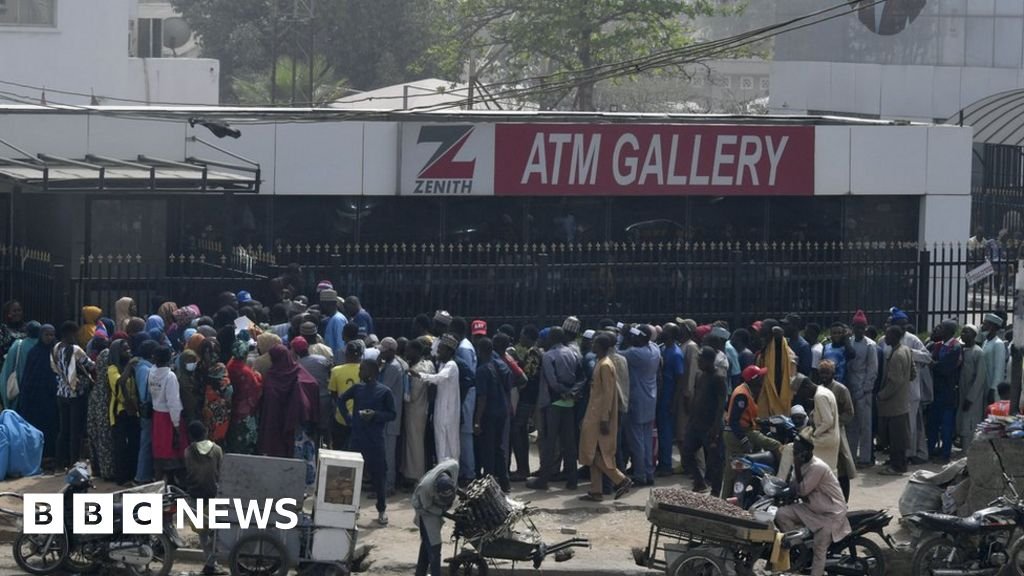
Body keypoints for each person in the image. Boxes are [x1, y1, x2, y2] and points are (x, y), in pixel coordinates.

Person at [774, 434, 851, 576]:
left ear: (808, 452)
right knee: (781, 514)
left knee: (819, 549)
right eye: (795, 452)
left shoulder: (818, 467)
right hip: (812, 508)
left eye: (799, 452)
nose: (796, 455)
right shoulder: (802, 464)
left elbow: (802, 490)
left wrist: (796, 467)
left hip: (830, 514)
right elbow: (793, 485)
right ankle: (799, 547)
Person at [339, 358, 396, 526]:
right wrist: (349, 419)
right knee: (352, 476)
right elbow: (341, 400)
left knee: (379, 476)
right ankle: (352, 510)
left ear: (371, 372)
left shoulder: (384, 392)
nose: (359, 373)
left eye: (362, 370)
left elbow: (392, 414)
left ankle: (381, 510)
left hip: (375, 441)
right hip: (357, 439)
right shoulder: (357, 389)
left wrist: (375, 415)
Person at [577, 333, 632, 502]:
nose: (592, 346)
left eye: (595, 344)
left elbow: (608, 394)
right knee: (592, 452)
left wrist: (605, 418)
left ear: (601, 346)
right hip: (593, 413)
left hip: (599, 415)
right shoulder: (601, 363)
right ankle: (596, 490)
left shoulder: (606, 365)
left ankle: (620, 479)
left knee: (595, 453)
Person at [528, 326, 583, 491]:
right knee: (569, 443)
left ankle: (543, 480)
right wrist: (571, 392)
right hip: (569, 403)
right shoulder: (574, 353)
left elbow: (552, 382)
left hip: (553, 403)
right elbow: (582, 378)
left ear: (552, 339)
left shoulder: (549, 356)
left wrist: (562, 392)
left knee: (548, 442)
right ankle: (572, 480)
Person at [721, 365, 783, 499]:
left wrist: (763, 422)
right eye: (760, 377)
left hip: (740, 431)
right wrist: (744, 441)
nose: (762, 380)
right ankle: (781, 478)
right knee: (775, 445)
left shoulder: (745, 391)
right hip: (738, 434)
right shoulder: (742, 395)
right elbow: (733, 420)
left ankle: (728, 498)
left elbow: (744, 416)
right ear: (753, 380)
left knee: (733, 470)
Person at [183, 420, 227, 576]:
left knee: (202, 532)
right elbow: (221, 472)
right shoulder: (217, 450)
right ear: (206, 431)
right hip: (213, 495)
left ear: (191, 436)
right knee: (215, 530)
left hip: (195, 495)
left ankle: (210, 563)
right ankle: (211, 563)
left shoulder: (188, 452)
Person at [619, 325, 660, 487]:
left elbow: (614, 353)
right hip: (650, 398)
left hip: (636, 400)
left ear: (641, 338)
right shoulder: (654, 349)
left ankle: (640, 475)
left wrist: (622, 337)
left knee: (637, 441)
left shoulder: (635, 353)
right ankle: (649, 472)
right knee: (646, 439)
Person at [683, 347, 727, 495]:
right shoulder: (700, 375)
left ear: (709, 360)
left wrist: (716, 427)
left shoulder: (718, 377)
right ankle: (699, 482)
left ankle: (715, 490)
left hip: (710, 425)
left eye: (700, 359)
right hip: (696, 423)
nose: (698, 361)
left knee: (715, 460)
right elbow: (697, 398)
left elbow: (721, 405)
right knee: (687, 452)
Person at [52, 321, 95, 470]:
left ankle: (58, 463)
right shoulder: (76, 349)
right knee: (75, 431)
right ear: (70, 334)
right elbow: (90, 365)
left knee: (63, 430)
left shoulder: (56, 348)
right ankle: (73, 463)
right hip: (76, 394)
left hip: (61, 393)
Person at [259, 345, 315, 458]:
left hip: (276, 421)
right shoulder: (298, 371)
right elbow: (313, 384)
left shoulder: (272, 375)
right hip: (294, 422)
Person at [472, 337, 511, 492]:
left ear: (480, 351)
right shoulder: (502, 365)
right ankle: (505, 481)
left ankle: (489, 485)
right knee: (498, 447)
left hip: (488, 414)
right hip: (502, 411)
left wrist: (477, 421)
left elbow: (482, 398)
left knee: (487, 449)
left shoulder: (482, 370)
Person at [878, 325, 916, 476]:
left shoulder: (897, 355)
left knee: (895, 438)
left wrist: (881, 395)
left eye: (887, 335)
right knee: (900, 436)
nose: (885, 338)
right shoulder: (905, 350)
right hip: (902, 401)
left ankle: (897, 466)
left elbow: (894, 382)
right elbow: (913, 373)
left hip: (894, 404)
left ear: (894, 337)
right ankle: (900, 463)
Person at [818, 360, 857, 501]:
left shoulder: (841, 389)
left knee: (842, 467)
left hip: (837, 431)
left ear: (833, 374)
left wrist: (834, 421)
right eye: (822, 373)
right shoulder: (819, 389)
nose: (824, 376)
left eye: (826, 373)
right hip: (822, 432)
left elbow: (849, 412)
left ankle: (844, 500)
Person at [412, 459, 459, 576]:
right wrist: (441, 511)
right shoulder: (425, 488)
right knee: (434, 546)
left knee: (426, 543)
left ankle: (420, 573)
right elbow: (424, 506)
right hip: (425, 510)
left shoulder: (453, 467)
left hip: (435, 505)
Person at [18, 323, 58, 461]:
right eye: (46, 334)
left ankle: (51, 455)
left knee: (52, 426)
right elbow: (28, 376)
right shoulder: (34, 353)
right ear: (41, 335)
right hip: (36, 399)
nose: (49, 337)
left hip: (52, 398)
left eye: (52, 335)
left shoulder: (56, 352)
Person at [846, 310, 878, 468]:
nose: (859, 330)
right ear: (852, 327)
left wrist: (865, 390)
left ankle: (865, 458)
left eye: (862, 327)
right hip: (850, 388)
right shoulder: (849, 342)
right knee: (852, 426)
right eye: (856, 327)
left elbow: (873, 370)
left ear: (865, 328)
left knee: (865, 426)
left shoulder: (870, 345)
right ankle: (851, 456)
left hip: (864, 391)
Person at [510, 325, 542, 480]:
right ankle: (524, 468)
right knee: (521, 432)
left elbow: (529, 376)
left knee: (517, 431)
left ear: (528, 337)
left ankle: (522, 470)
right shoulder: (533, 351)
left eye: (522, 335)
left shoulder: (533, 352)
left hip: (528, 398)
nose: (520, 338)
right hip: (529, 398)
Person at [928, 319, 962, 463]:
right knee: (933, 423)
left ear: (948, 331)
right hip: (936, 390)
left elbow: (945, 368)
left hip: (948, 391)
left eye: (941, 328)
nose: (938, 330)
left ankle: (945, 454)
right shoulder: (938, 345)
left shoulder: (955, 347)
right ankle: (930, 451)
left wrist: (933, 365)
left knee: (946, 426)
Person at [149, 345, 185, 481]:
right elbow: (173, 402)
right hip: (168, 417)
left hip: (157, 413)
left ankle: (159, 480)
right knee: (172, 449)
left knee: (160, 449)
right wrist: (176, 425)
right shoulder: (170, 377)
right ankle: (171, 482)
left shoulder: (152, 373)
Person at [108, 339, 140, 485]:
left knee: (133, 443)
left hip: (133, 410)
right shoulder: (113, 368)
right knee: (121, 446)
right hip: (119, 411)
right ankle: (121, 478)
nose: (127, 351)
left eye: (128, 348)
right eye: (124, 350)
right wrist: (128, 366)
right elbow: (119, 383)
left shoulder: (133, 369)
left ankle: (132, 474)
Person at [379, 337, 408, 494]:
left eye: (383, 352)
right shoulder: (393, 364)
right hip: (390, 415)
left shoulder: (393, 367)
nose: (381, 355)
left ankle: (388, 486)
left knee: (388, 453)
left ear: (391, 351)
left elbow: (382, 388)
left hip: (390, 418)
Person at [656, 323, 685, 477]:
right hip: (661, 396)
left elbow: (680, 379)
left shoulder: (676, 354)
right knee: (660, 432)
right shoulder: (662, 348)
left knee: (666, 433)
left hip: (669, 397)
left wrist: (674, 402)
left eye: (666, 330)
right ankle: (661, 462)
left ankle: (666, 465)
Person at [226, 336, 263, 455]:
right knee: (245, 438)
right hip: (244, 411)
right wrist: (258, 376)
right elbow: (255, 389)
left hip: (233, 406)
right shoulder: (245, 371)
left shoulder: (230, 365)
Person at [404, 338, 434, 481]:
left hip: (415, 410)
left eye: (408, 350)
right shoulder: (428, 364)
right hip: (424, 409)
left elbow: (412, 396)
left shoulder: (417, 371)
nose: (406, 353)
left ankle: (415, 475)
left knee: (414, 444)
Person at [88, 334, 117, 479]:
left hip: (97, 397)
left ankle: (98, 469)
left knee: (96, 435)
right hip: (104, 399)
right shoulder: (106, 355)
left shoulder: (99, 356)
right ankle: (108, 471)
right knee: (104, 436)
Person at [329, 341, 364, 450]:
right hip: (361, 417)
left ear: (346, 354)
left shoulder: (336, 371)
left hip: (341, 417)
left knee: (338, 450)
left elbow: (333, 394)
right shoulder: (366, 370)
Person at [958, 324, 988, 451]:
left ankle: (969, 454)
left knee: (970, 423)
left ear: (974, 335)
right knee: (962, 422)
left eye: (967, 332)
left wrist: (970, 398)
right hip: (962, 392)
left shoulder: (978, 352)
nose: (963, 334)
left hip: (972, 396)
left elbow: (980, 378)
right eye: (963, 332)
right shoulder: (962, 350)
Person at [198, 339, 233, 446]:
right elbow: (228, 391)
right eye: (208, 352)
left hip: (210, 411)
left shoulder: (200, 367)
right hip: (214, 411)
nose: (210, 355)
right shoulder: (219, 368)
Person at [757, 321, 795, 417]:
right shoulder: (765, 351)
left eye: (765, 336)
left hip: (780, 392)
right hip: (766, 392)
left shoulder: (786, 354)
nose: (762, 340)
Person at [982, 313, 1007, 403]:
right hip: (984, 386)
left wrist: (993, 390)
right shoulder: (986, 342)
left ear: (992, 327)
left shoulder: (998, 344)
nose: (983, 326)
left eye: (985, 324)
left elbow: (999, 370)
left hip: (992, 389)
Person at [320, 289, 348, 360]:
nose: (322, 307)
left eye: (323, 304)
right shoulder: (332, 318)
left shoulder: (337, 319)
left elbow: (340, 345)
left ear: (331, 304)